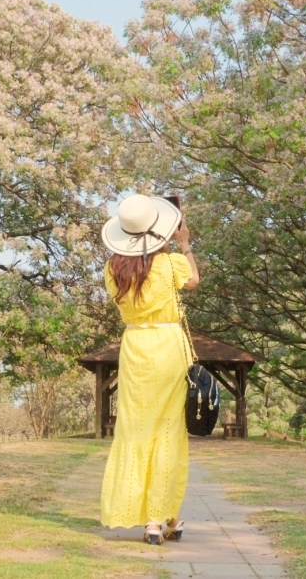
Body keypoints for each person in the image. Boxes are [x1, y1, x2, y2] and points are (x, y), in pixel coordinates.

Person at [98, 193, 200, 545]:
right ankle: (158, 519)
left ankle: (162, 518)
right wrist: (184, 243)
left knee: (136, 428)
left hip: (135, 347)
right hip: (168, 347)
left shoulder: (112, 270)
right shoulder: (170, 263)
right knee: (168, 430)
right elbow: (193, 281)